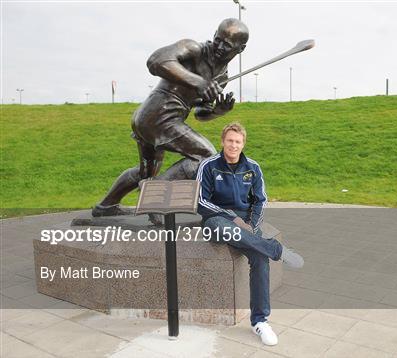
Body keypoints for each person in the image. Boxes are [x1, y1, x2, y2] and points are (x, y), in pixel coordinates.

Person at [92, 18, 248, 217]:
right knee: (206, 156)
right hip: (159, 115)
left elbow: (200, 113)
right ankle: (154, 195)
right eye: (217, 39)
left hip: (159, 119)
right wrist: (198, 81)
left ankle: (105, 207)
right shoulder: (193, 49)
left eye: (227, 45)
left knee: (146, 173)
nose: (219, 46)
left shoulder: (222, 77)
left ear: (240, 49)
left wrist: (218, 111)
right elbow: (156, 61)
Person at [197, 122, 304, 346]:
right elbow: (201, 201)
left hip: (246, 224)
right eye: (230, 141)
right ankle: (276, 249)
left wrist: (251, 225)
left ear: (243, 143)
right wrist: (233, 219)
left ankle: (260, 321)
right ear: (223, 142)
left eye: (237, 141)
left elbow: (260, 201)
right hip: (217, 221)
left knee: (259, 256)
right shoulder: (208, 166)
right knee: (224, 227)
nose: (233, 145)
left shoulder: (253, 167)